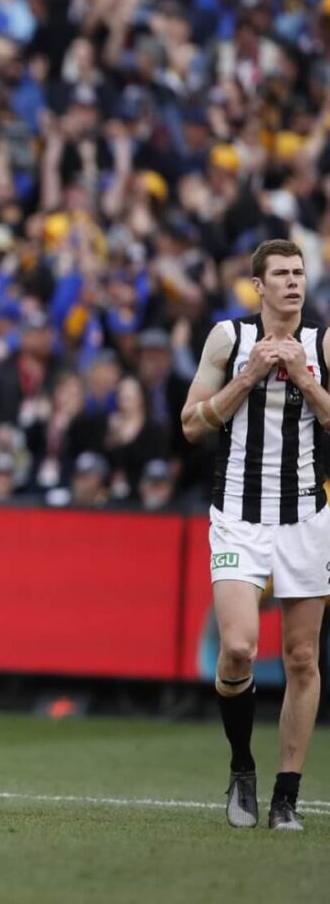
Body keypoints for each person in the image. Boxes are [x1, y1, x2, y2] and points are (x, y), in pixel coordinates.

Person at [180, 238, 330, 832]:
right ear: (258, 286)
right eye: (281, 274)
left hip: (305, 520)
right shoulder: (228, 338)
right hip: (238, 515)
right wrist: (246, 380)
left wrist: (304, 379)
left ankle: (285, 797)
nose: (293, 282)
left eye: (299, 273)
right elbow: (192, 424)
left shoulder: (321, 344)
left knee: (301, 657)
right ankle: (243, 766)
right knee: (239, 646)